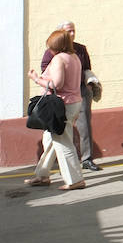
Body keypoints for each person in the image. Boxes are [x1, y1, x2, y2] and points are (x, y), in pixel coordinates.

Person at [24, 29, 85, 191]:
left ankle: (75, 180)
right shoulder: (74, 57)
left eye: (51, 47)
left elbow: (57, 84)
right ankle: (42, 175)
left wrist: (37, 79)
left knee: (63, 141)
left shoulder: (59, 59)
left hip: (63, 104)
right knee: (50, 140)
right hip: (73, 102)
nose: (49, 50)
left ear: (57, 47)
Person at [41, 21, 101, 171]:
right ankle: (58, 166)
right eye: (69, 31)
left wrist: (90, 83)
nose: (72, 34)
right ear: (61, 34)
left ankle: (87, 159)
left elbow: (87, 68)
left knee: (84, 124)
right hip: (59, 94)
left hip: (80, 90)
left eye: (73, 30)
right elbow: (45, 70)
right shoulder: (51, 51)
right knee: (58, 131)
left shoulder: (80, 49)